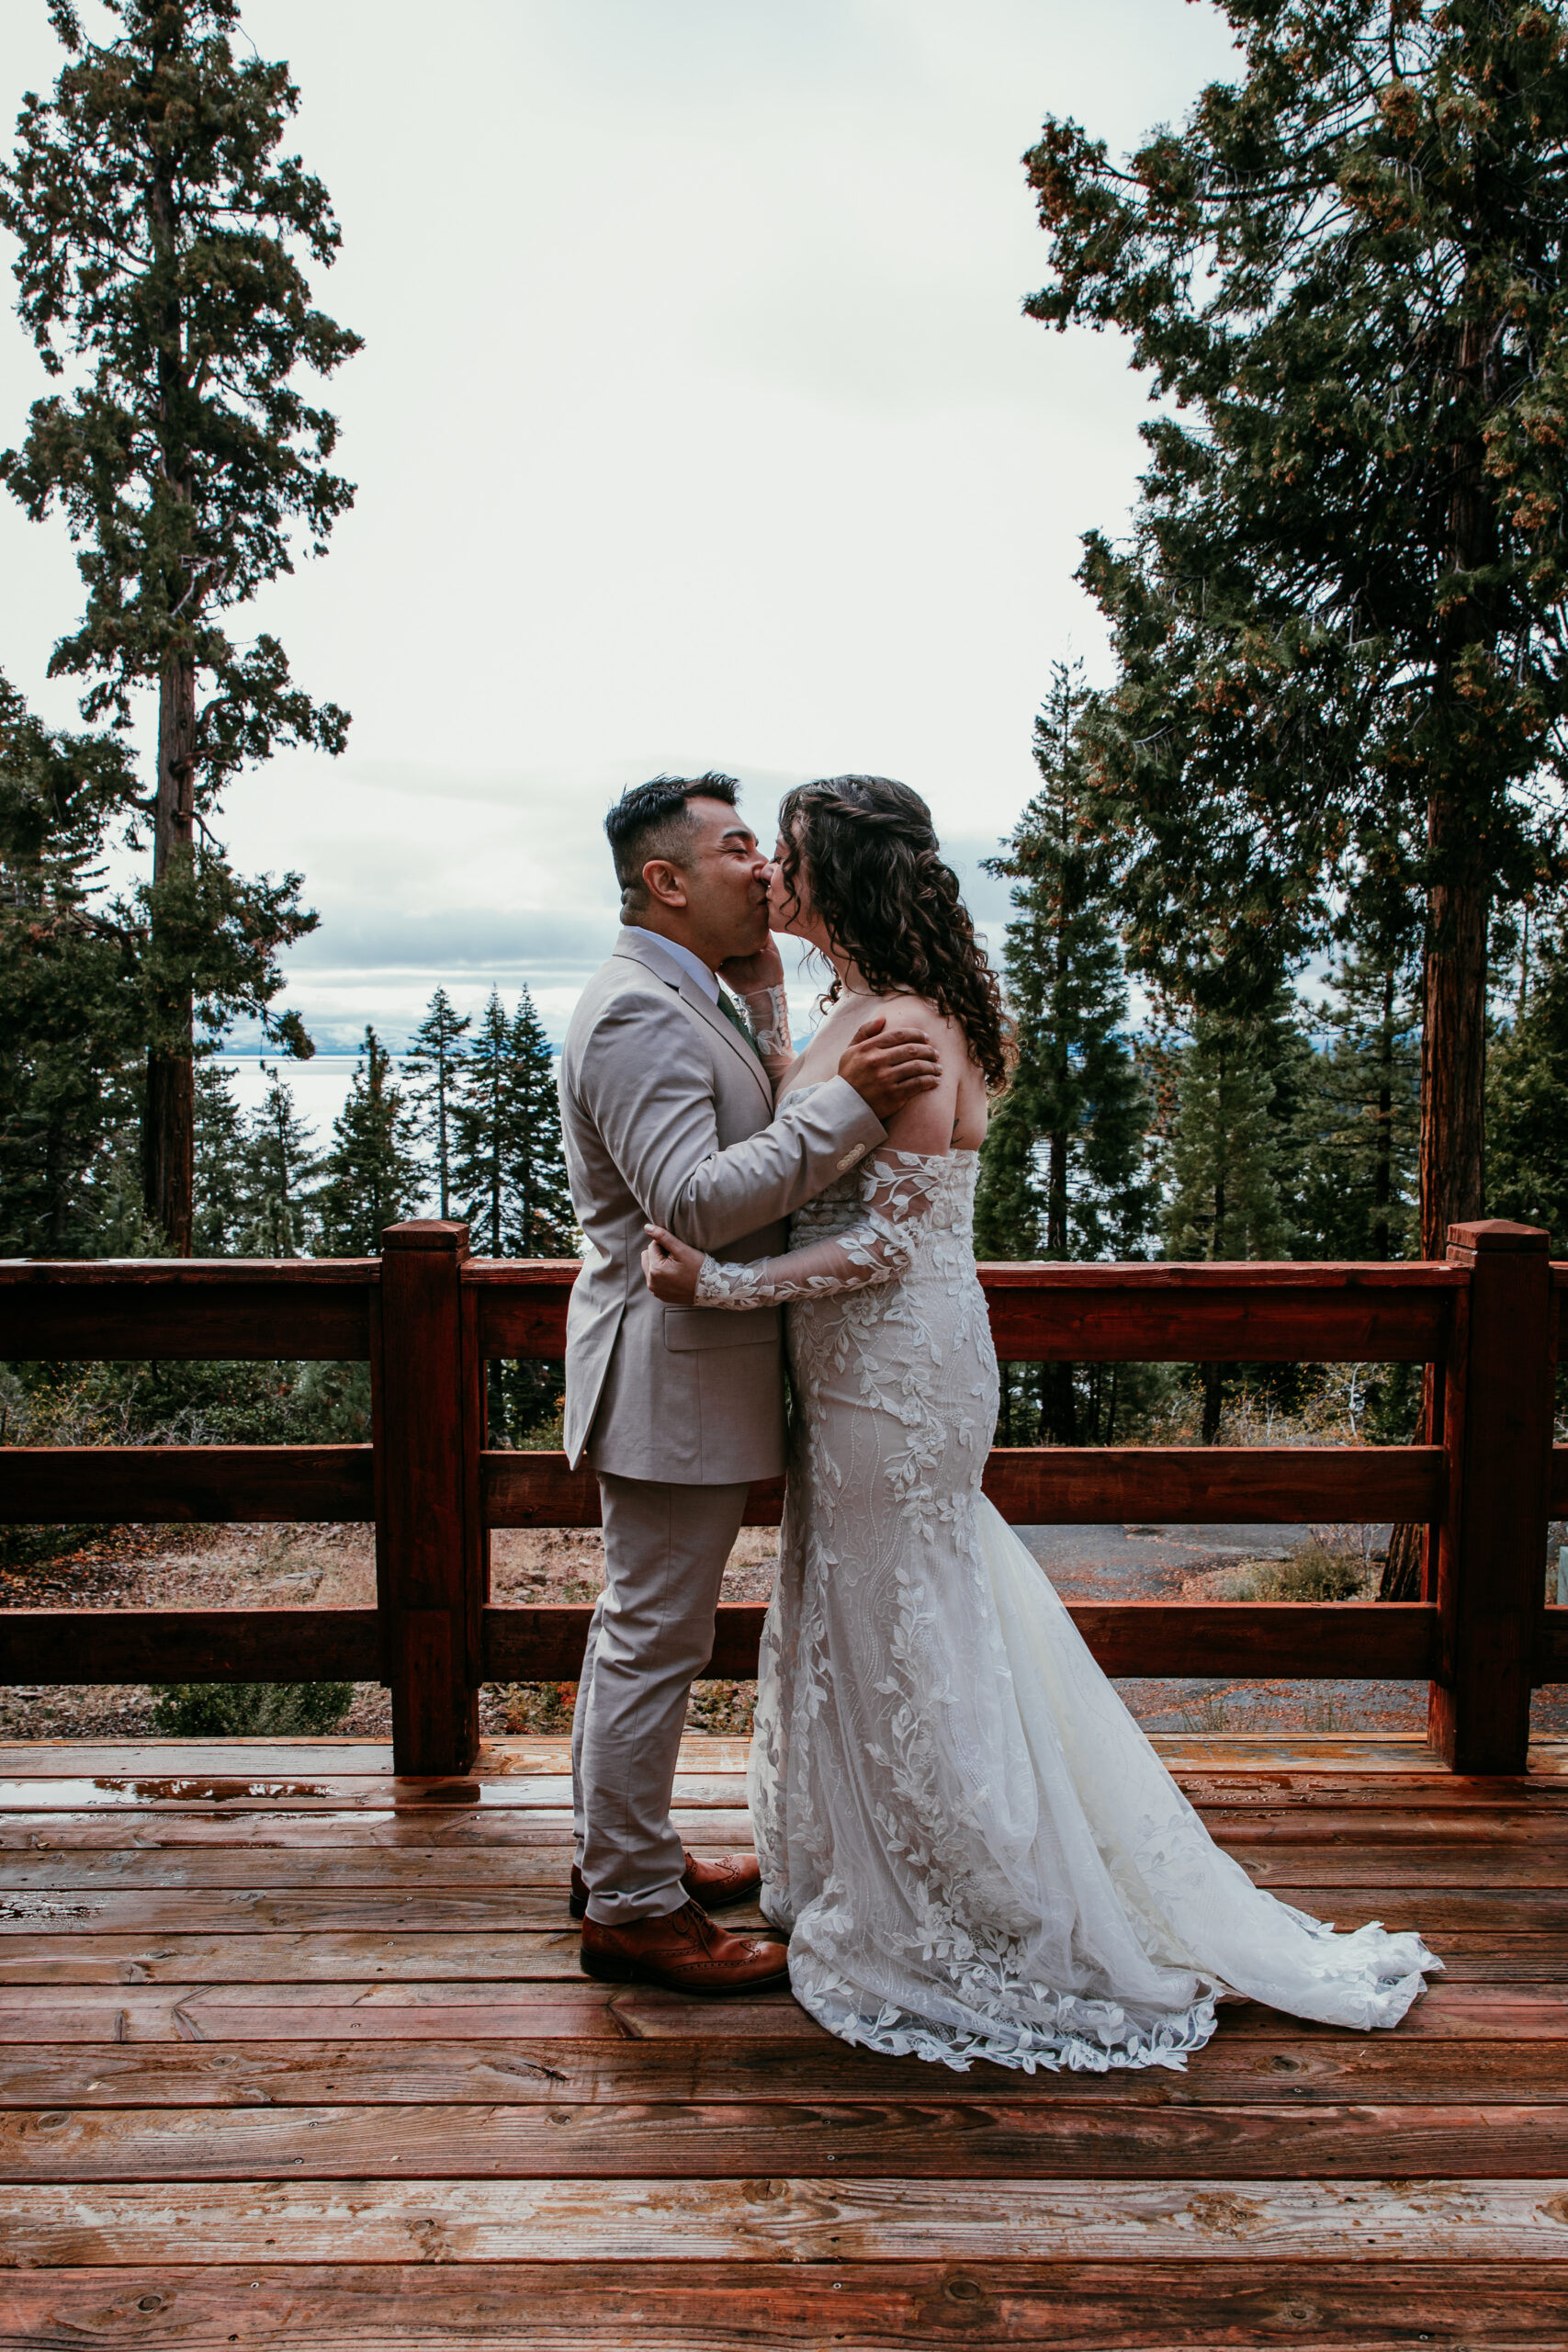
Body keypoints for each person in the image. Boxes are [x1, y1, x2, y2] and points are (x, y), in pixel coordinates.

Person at [642, 775, 1441, 2072]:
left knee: (914, 1611)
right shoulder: (860, 1004)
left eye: (785, 857)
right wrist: (779, 990)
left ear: (834, 875)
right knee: (862, 1599)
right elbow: (808, 1089)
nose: (770, 877)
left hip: (899, 1359)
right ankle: (867, 1855)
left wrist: (718, 1282)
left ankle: (980, 1893)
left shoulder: (904, 1025)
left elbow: (889, 1246)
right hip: (852, 1370)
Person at [559, 772, 943, 1995]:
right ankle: (626, 1908)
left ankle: (624, 1857)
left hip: (695, 1373)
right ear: (666, 881)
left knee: (644, 1633)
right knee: (652, 1640)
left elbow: (738, 1118)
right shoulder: (636, 1011)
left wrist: (774, 999)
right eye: (738, 849)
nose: (766, 869)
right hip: (667, 1376)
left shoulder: (696, 992)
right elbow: (694, 1202)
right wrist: (847, 1112)